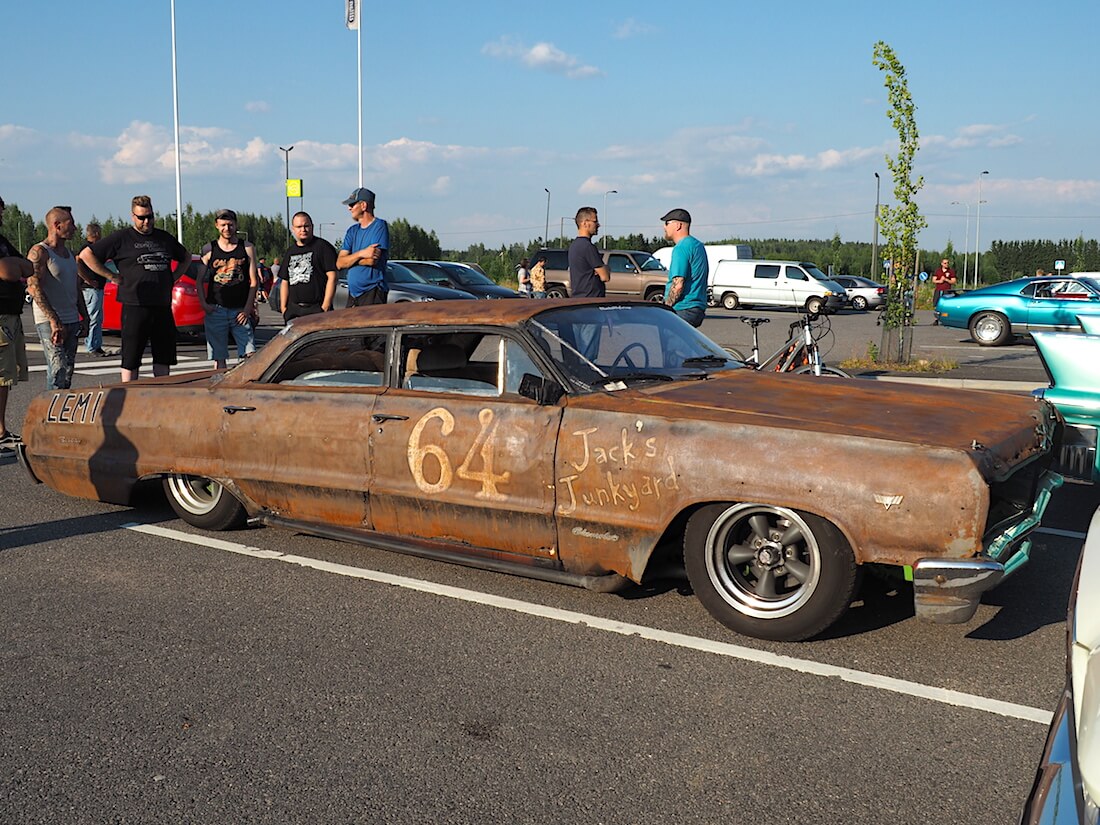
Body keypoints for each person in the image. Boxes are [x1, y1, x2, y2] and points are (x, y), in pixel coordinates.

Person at [78, 195, 190, 382]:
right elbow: (86, 254)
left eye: (150, 216)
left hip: (162, 305)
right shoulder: (122, 238)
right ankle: (129, 395)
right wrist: (111, 276)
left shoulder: (163, 238)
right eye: (142, 218)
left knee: (163, 356)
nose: (147, 221)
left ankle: (162, 395)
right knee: (131, 358)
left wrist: (174, 277)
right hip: (135, 305)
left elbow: (185, 257)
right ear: (133, 217)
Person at [26, 206, 89, 389]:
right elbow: (34, 287)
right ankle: (48, 412)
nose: (75, 228)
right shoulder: (40, 252)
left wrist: (84, 316)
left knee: (67, 371)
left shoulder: (69, 255)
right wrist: (53, 320)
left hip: (71, 319)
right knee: (57, 369)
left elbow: (76, 288)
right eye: (71, 223)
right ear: (57, 225)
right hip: (49, 321)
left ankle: (61, 411)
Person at [199, 209, 258, 369]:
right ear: (217, 226)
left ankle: (246, 387)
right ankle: (220, 388)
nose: (227, 228)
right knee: (219, 357)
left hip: (239, 311)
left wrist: (247, 308)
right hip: (216, 309)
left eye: (230, 224)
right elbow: (199, 280)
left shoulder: (247, 248)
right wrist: (204, 304)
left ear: (236, 225)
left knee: (248, 353)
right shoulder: (209, 249)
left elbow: (254, 281)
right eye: (223, 225)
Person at [0, 195, 31, 451]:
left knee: (7, 377)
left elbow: (27, 267)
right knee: (1, 376)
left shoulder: (2, 241)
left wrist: (15, 264)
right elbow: (9, 272)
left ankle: (0, 430)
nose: (1, 217)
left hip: (11, 316)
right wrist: (13, 266)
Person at [280, 211, 338, 323]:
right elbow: (284, 281)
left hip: (316, 309)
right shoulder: (290, 251)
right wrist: (284, 308)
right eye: (299, 227)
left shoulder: (323, 247)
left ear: (312, 227)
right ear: (293, 229)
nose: (303, 229)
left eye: (306, 226)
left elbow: (333, 277)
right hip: (294, 311)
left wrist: (325, 307)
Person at [336, 187, 389, 306]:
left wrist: (350, 260)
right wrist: (361, 254)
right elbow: (339, 263)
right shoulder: (352, 231)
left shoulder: (379, 226)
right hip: (353, 294)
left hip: (373, 292)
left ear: (364, 205)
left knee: (370, 325)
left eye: (352, 204)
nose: (349, 208)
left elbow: (371, 260)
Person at [660, 208, 708, 328]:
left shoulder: (680, 248)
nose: (664, 227)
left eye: (667, 223)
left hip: (683, 309)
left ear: (678, 225)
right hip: (697, 308)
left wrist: (666, 307)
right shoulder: (698, 246)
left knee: (668, 345)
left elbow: (678, 285)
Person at [76, 223, 108, 356]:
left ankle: (95, 343)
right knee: (94, 317)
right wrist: (88, 280)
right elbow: (77, 262)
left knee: (97, 317)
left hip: (95, 288)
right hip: (90, 289)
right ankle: (92, 345)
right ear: (95, 234)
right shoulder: (87, 249)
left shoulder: (91, 248)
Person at [567, 207, 609, 298]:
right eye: (595, 221)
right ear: (585, 223)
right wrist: (605, 268)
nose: (598, 225)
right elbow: (605, 277)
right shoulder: (588, 247)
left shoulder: (574, 246)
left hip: (579, 299)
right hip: (591, 301)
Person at [931, 257, 957, 324]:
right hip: (939, 290)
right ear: (942, 264)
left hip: (947, 290)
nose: (946, 264)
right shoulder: (938, 271)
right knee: (937, 304)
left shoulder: (951, 271)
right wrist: (940, 281)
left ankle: (945, 319)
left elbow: (953, 281)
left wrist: (946, 280)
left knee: (945, 305)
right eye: (945, 263)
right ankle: (936, 319)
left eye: (947, 263)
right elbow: (934, 280)